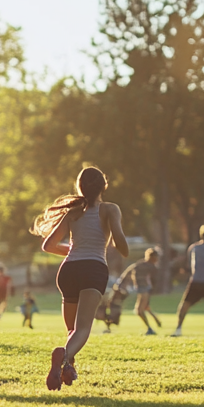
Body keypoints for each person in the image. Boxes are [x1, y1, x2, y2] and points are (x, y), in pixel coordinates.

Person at [33, 166, 129, 391]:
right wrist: (121, 246)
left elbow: (49, 245)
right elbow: (121, 244)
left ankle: (67, 368)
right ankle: (63, 355)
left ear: (80, 187)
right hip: (93, 269)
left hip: (68, 270)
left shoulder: (73, 212)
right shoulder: (110, 209)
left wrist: (76, 250)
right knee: (83, 328)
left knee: (72, 330)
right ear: (104, 186)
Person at [115, 248, 162, 334]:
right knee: (144, 308)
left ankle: (150, 329)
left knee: (139, 310)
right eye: (156, 258)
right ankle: (155, 321)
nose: (157, 260)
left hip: (144, 290)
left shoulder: (142, 265)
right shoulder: (148, 266)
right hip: (143, 290)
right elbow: (129, 272)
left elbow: (128, 272)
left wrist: (120, 284)